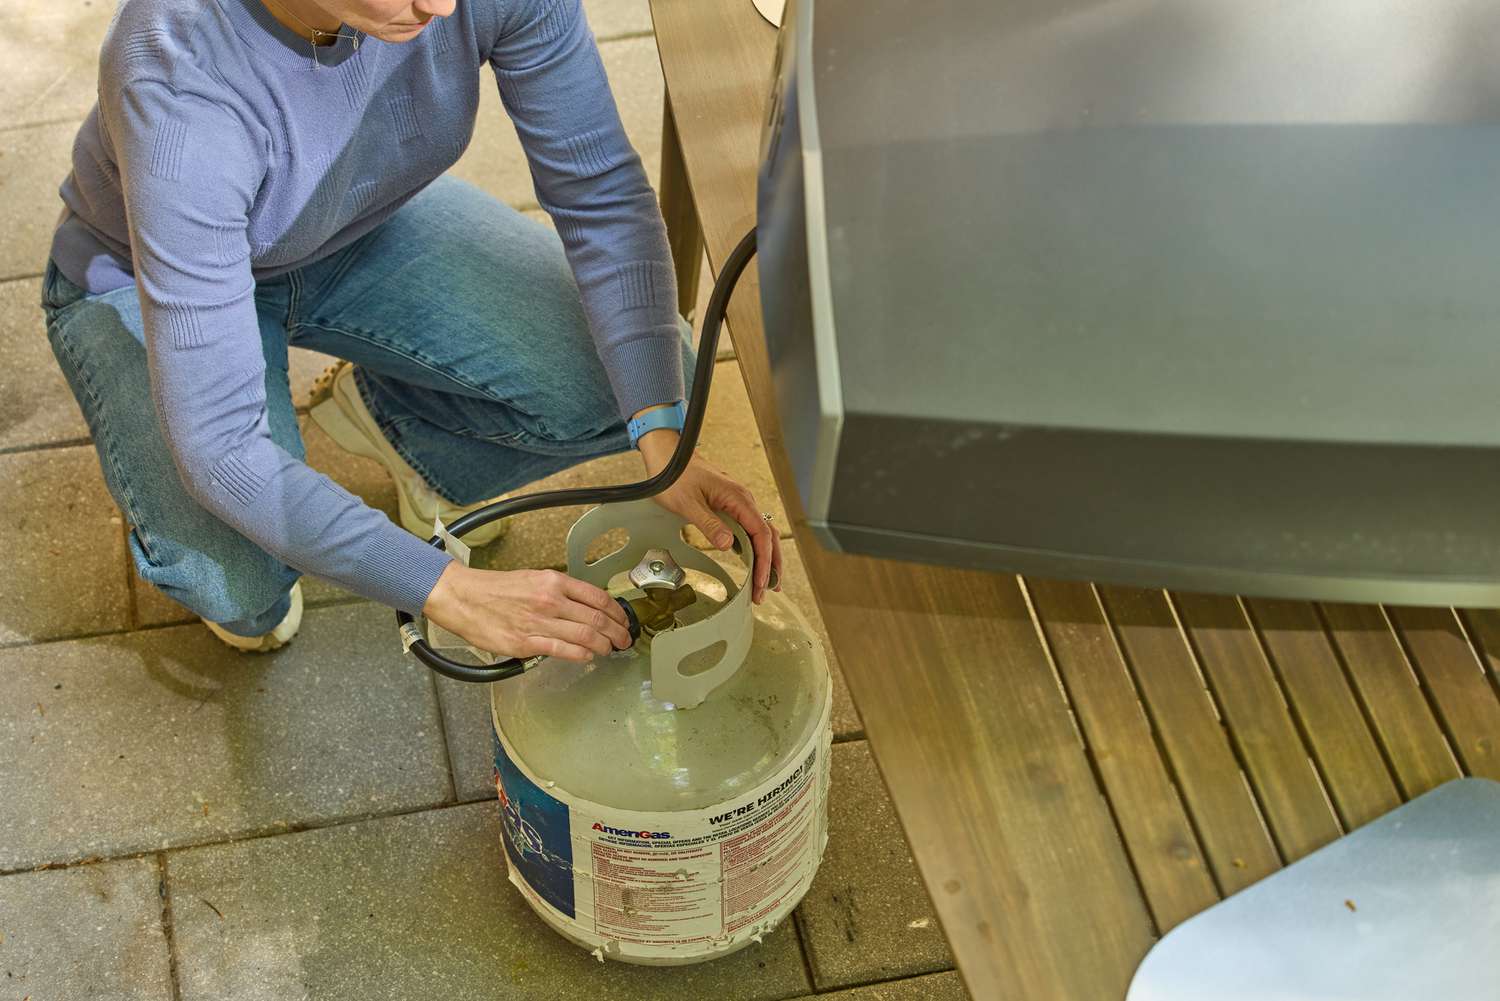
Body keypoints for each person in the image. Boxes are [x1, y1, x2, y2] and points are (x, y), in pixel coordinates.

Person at [40, 0, 782, 658]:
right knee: (243, 585)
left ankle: (400, 431)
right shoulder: (177, 73)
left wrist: (664, 445)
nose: (440, 5)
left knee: (646, 377)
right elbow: (222, 449)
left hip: (350, 227)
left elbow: (601, 194)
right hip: (138, 274)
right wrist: (447, 589)